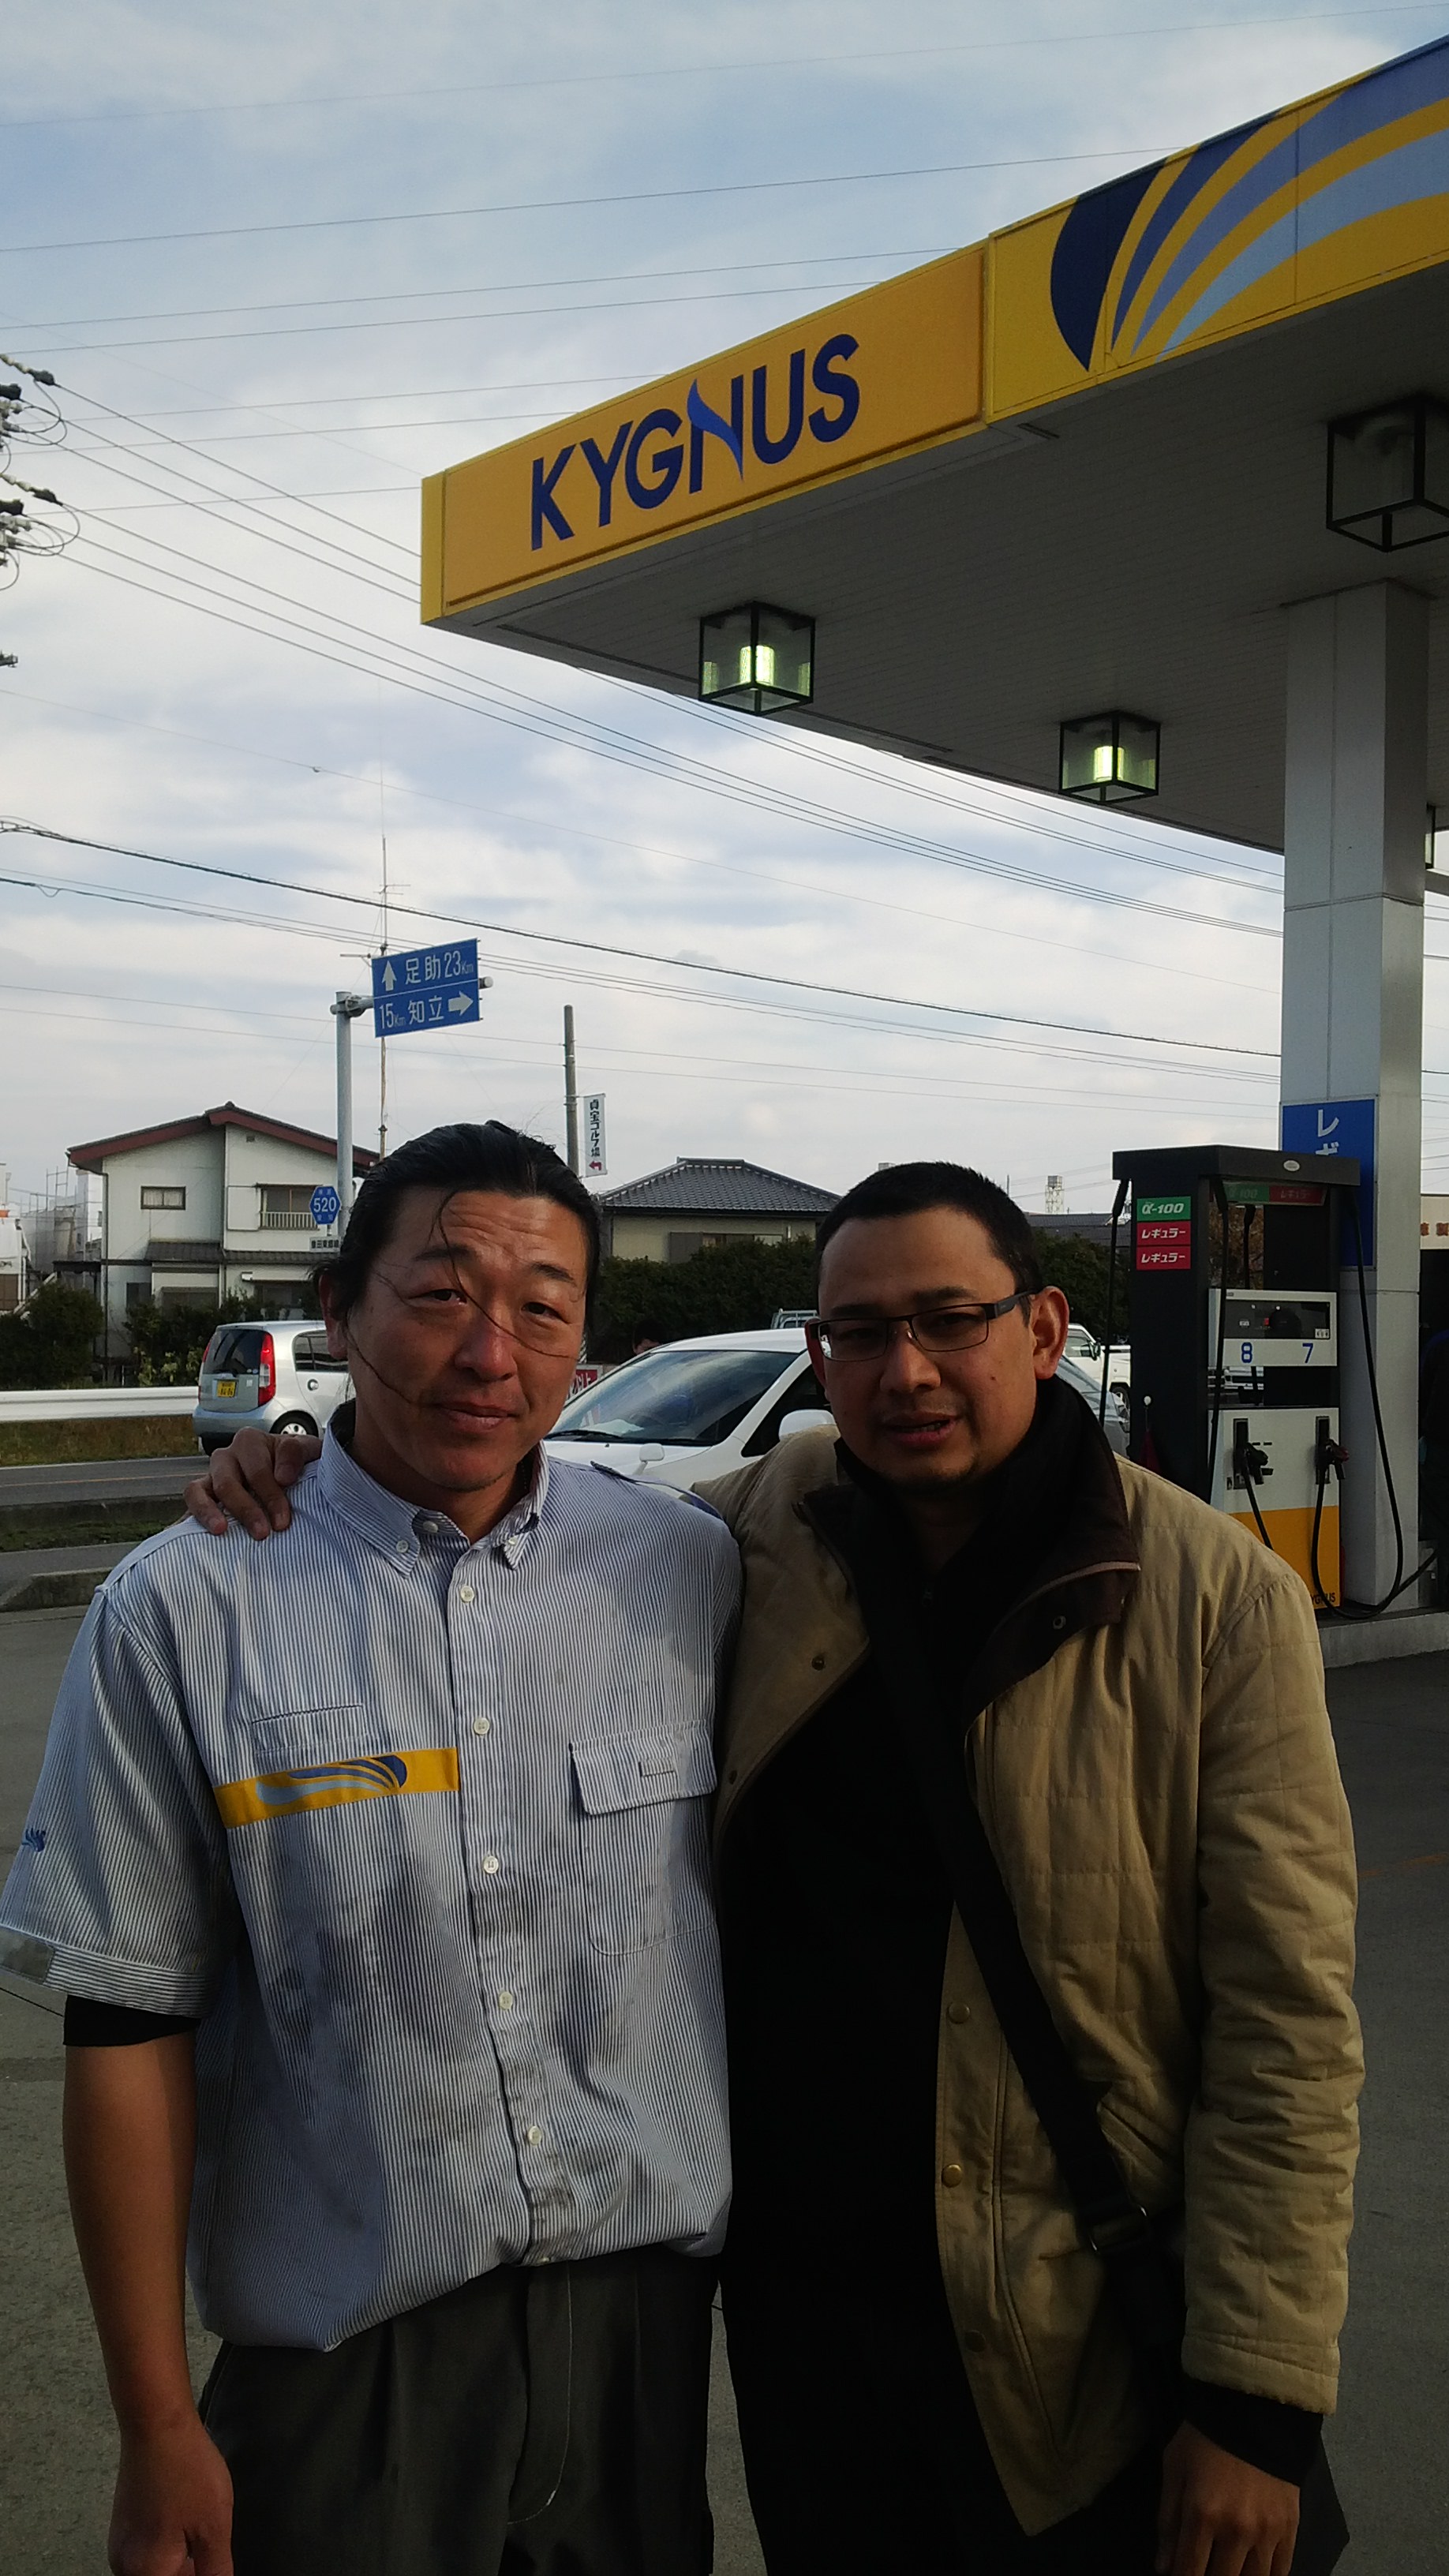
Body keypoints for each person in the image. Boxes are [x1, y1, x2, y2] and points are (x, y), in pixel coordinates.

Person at [178, 1160, 1361, 2576]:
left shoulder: (1214, 1603)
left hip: (1074, 2339)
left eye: (951, 1321)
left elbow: (1288, 2027)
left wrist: (1255, 2404)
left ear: (1044, 1329)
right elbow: (530, 1507)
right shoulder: (760, 1532)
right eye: (859, 1334)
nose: (906, 1372)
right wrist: (304, 1461)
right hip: (813, 2343)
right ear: (819, 1353)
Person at [0, 1122, 739, 2576]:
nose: (491, 1353)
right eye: (443, 1293)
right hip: (348, 2367)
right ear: (339, 1308)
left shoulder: (687, 1569)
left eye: (543, 1309)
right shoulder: (184, 1608)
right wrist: (155, 2424)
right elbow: (126, 2026)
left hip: (641, 2343)